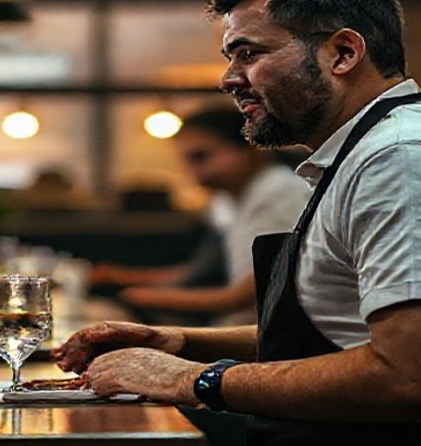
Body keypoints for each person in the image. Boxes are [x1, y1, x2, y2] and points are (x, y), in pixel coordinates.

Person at [54, 0, 421, 446]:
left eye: (250, 53)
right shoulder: (365, 154)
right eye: (230, 57)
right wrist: (181, 340)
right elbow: (343, 331)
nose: (229, 79)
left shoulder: (412, 160)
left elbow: (412, 378)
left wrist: (195, 380)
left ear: (343, 53)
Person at [94, 106, 310, 324]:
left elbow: (257, 291)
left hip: (262, 332)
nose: (191, 170)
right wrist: (121, 277)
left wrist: (140, 296)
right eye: (186, 160)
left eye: (200, 156)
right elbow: (200, 273)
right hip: (238, 324)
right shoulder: (225, 201)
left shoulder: (279, 191)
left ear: (251, 148)